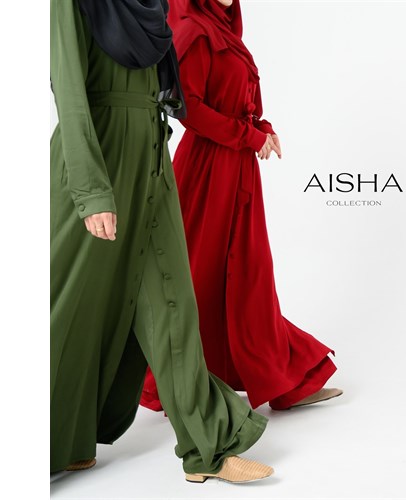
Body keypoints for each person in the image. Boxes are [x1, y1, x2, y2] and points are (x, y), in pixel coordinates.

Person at [50, 0, 274, 484]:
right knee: (68, 304)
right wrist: (91, 191)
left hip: (151, 154)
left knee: (173, 300)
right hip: (100, 157)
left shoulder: (153, 6)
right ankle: (53, 439)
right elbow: (69, 91)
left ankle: (208, 447)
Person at [141, 0, 343, 413]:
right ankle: (167, 381)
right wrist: (249, 136)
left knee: (245, 274)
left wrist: (261, 128)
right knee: (203, 274)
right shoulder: (196, 32)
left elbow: (239, 102)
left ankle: (276, 377)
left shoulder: (226, 33)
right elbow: (189, 110)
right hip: (208, 172)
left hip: (236, 167)